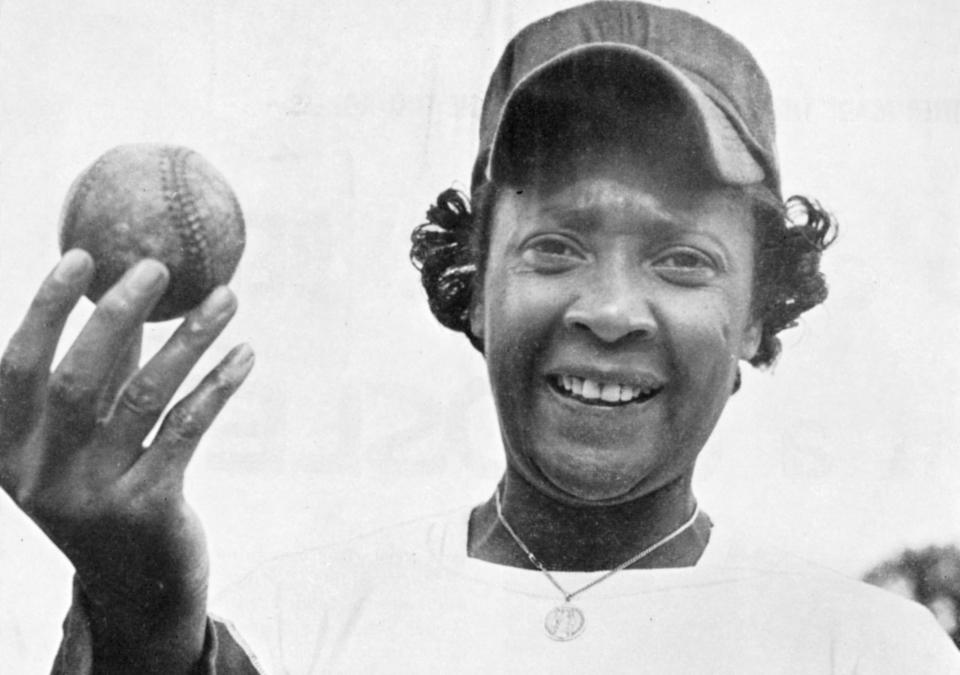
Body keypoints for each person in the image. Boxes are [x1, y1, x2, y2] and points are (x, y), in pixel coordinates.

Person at [1, 1, 957, 672]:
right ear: (471, 286)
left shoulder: (868, 651)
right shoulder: (292, 628)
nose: (611, 309)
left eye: (682, 260)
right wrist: (139, 597)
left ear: (758, 312)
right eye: (554, 247)